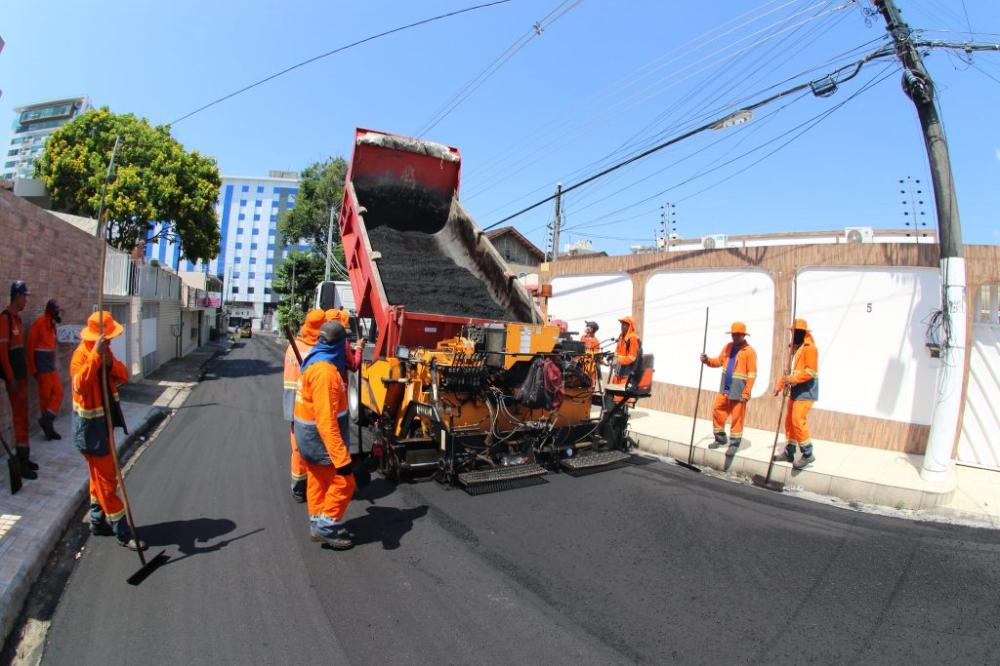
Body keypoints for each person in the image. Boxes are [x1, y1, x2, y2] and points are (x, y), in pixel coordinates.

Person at [71, 311, 145, 550]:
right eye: (109, 337)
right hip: (90, 431)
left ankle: (96, 520)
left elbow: (124, 375)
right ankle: (123, 532)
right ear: (98, 337)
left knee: (98, 479)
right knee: (107, 481)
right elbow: (80, 386)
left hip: (104, 425)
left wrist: (109, 362)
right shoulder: (81, 355)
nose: (112, 340)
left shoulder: (106, 354)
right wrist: (95, 356)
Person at [294, 321, 355, 550]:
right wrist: (342, 459)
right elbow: (326, 421)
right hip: (319, 440)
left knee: (318, 482)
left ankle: (317, 522)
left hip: (307, 438)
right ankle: (327, 527)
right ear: (339, 344)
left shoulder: (314, 360)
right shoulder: (325, 373)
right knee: (344, 482)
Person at [283, 309, 326, 502]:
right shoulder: (316, 351)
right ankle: (308, 486)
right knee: (314, 447)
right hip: (310, 406)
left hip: (292, 404)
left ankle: (299, 487)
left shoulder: (293, 346)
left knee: (297, 448)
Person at [700, 322, 757, 457]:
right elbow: (718, 361)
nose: (735, 337)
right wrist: (707, 360)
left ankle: (734, 444)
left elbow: (752, 374)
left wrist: (746, 392)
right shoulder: (728, 347)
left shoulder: (749, 352)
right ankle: (720, 438)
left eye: (738, 335)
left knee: (737, 418)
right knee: (717, 410)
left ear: (743, 335)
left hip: (739, 391)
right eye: (733, 335)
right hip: (725, 389)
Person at [0, 281, 37, 479]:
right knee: (19, 420)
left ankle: (25, 457)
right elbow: (2, 354)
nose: (26, 300)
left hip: (22, 378)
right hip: (14, 380)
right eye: (24, 296)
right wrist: (11, 378)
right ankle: (21, 463)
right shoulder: (5, 319)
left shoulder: (18, 320)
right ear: (16, 296)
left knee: (24, 417)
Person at [772, 318, 819, 470]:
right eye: (793, 332)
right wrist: (779, 386)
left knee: (798, 421)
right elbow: (789, 372)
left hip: (806, 391)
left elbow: (810, 372)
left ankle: (807, 453)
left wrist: (792, 379)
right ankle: (789, 452)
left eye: (796, 332)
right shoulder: (796, 350)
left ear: (803, 333)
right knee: (790, 422)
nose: (794, 334)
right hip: (796, 391)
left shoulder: (810, 348)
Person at [28, 299, 64, 440]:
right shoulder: (40, 323)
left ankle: (47, 420)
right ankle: (48, 429)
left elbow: (52, 347)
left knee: (59, 392)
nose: (57, 314)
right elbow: (30, 347)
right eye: (56, 311)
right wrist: (33, 369)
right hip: (42, 367)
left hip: (50, 366)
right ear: (50, 311)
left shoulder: (52, 326)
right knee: (45, 397)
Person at [612, 316, 641, 386]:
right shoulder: (621, 336)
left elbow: (632, 357)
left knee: (621, 392)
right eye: (622, 324)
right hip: (618, 372)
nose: (622, 326)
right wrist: (614, 362)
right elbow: (617, 351)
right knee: (612, 391)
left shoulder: (632, 338)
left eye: (624, 324)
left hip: (626, 375)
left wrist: (618, 359)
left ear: (629, 326)